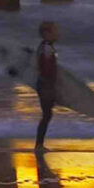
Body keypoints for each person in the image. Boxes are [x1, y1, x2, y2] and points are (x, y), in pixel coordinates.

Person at [33, 21, 62, 153]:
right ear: (46, 34)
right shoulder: (47, 48)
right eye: (54, 31)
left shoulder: (45, 46)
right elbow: (46, 69)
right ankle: (39, 145)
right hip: (45, 84)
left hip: (45, 83)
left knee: (47, 114)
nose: (57, 33)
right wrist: (50, 86)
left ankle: (39, 144)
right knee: (47, 115)